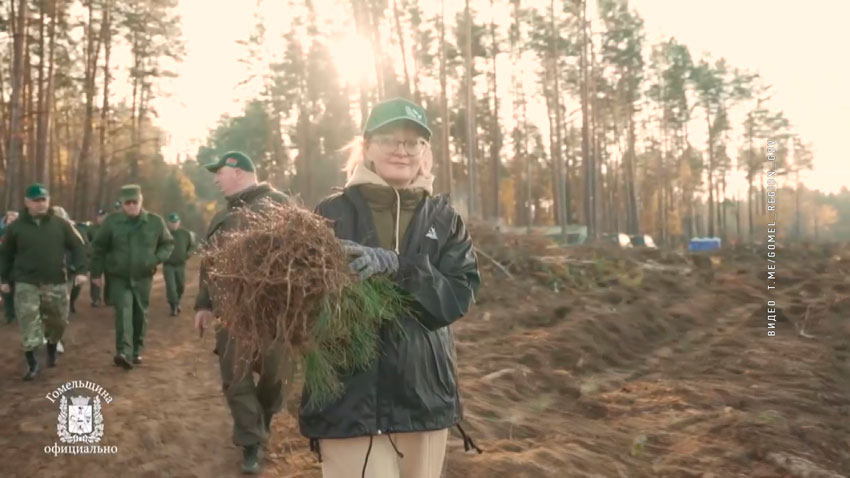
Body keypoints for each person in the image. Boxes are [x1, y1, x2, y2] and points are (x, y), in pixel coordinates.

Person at [299, 98, 481, 478]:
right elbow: (302, 298)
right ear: (366, 146)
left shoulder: (445, 220)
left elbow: (457, 297)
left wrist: (400, 267)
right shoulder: (331, 213)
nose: (401, 149)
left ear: (424, 151)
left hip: (424, 398)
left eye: (413, 141)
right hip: (347, 399)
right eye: (388, 139)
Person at [193, 151, 293, 474]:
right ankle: (251, 442)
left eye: (219, 172)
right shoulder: (221, 217)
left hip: (272, 312)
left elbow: (302, 257)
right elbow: (209, 265)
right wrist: (204, 304)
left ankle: (260, 421)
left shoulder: (279, 204)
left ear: (236, 171)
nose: (216, 179)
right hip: (230, 312)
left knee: (275, 374)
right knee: (235, 378)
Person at [0, 184, 87, 380]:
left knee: (57, 321)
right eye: (36, 200)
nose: (41, 204)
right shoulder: (16, 228)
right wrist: (4, 279)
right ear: (27, 202)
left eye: (44, 200)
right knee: (28, 321)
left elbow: (78, 247)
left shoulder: (61, 225)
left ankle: (52, 347)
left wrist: (81, 270)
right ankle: (33, 364)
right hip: (26, 282)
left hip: (55, 281)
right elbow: (5, 255)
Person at [91, 185, 174, 369]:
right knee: (123, 312)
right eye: (127, 203)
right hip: (118, 276)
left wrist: (155, 259)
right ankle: (123, 352)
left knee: (139, 314)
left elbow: (167, 244)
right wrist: (96, 273)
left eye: (134, 202)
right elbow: (98, 247)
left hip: (143, 276)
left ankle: (136, 350)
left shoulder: (154, 222)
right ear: (122, 204)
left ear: (141, 201)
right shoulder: (112, 222)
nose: (131, 206)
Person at [163, 213, 196, 316]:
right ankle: (174, 306)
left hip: (180, 264)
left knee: (180, 286)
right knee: (171, 287)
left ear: (179, 222)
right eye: (171, 222)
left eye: (175, 222)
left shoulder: (186, 234)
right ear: (168, 223)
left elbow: (193, 246)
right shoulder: (164, 234)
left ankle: (177, 301)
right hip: (168, 265)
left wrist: (187, 254)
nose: (173, 224)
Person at [1, 211, 20, 324]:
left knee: (18, 290)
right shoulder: (2, 232)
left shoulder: (21, 233)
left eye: (14, 220)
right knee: (5, 289)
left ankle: (16, 313)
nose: (12, 222)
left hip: (17, 265)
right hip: (3, 264)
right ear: (6, 221)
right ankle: (9, 314)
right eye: (10, 220)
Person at [87, 208, 108, 307]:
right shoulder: (91, 228)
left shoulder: (111, 227)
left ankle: (109, 298)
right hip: (96, 257)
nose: (101, 218)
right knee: (95, 278)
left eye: (103, 216)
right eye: (99, 216)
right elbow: (86, 241)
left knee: (111, 279)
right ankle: (95, 299)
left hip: (109, 257)